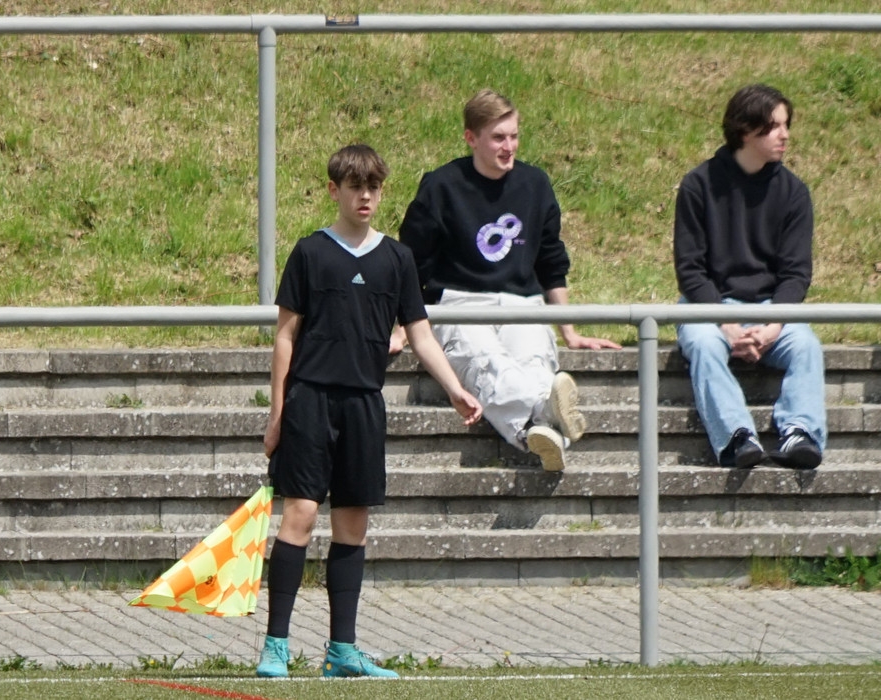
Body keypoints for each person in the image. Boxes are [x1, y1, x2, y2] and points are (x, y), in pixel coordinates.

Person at [255, 144, 482, 679]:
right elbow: (285, 337)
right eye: (355, 187)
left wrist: (455, 388)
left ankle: (342, 651)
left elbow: (420, 334)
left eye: (373, 188)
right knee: (300, 515)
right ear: (334, 190)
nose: (365, 196)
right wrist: (277, 413)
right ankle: (275, 646)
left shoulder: (397, 259)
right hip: (310, 400)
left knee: (353, 524)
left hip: (363, 405)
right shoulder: (310, 252)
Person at [398, 88, 620, 472]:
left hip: (523, 303)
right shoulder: (442, 186)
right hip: (460, 303)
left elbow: (551, 261)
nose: (509, 146)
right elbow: (412, 263)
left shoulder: (535, 184)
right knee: (487, 364)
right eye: (498, 138)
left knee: (535, 363)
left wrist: (568, 331)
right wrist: (402, 326)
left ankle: (536, 431)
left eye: (514, 136)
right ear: (471, 138)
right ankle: (547, 418)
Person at [674, 83, 826, 470]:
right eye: (774, 126)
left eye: (786, 125)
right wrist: (726, 324)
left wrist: (774, 325)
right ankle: (736, 437)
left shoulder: (793, 192)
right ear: (745, 130)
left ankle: (800, 433)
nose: (785, 135)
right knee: (705, 346)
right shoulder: (699, 185)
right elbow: (690, 269)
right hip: (709, 307)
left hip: (770, 308)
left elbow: (796, 273)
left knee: (806, 346)